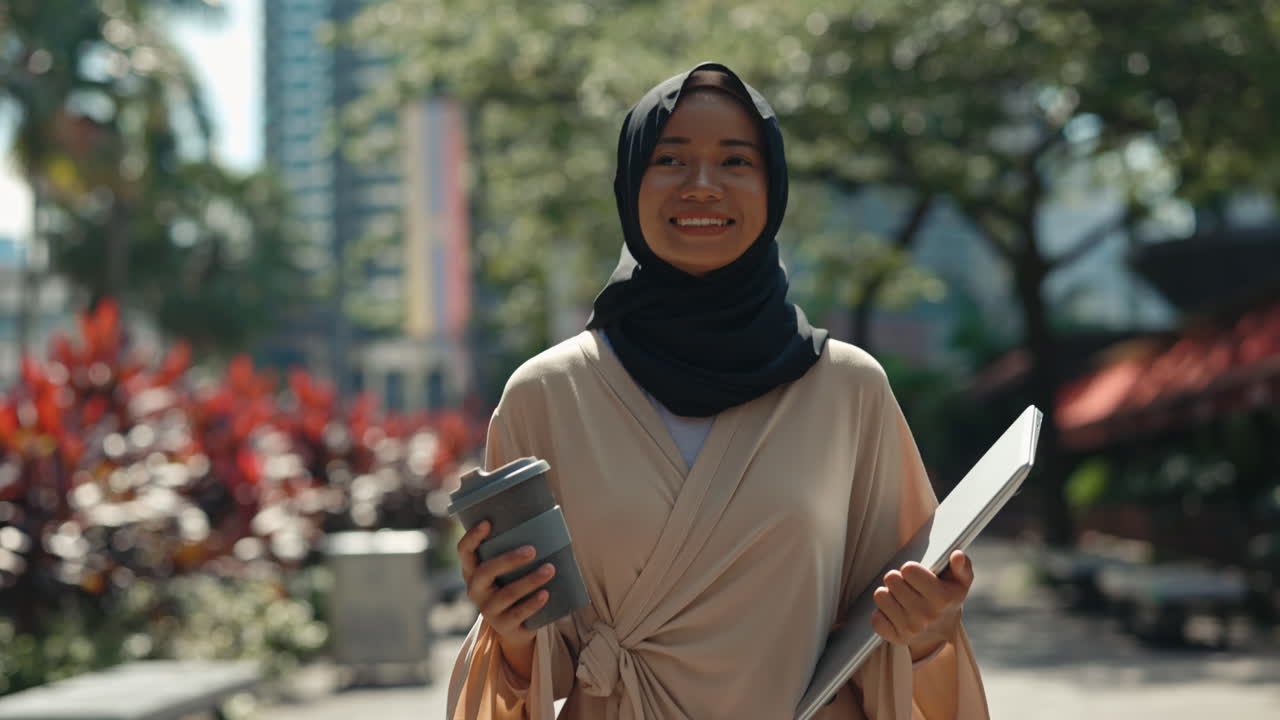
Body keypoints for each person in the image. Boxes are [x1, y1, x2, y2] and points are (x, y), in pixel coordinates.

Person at [447, 62, 989, 719]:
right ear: (629, 181)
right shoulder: (546, 396)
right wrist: (509, 635)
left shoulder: (849, 390)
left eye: (735, 161)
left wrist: (928, 633)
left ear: (774, 186)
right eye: (671, 159)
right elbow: (540, 661)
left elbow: (895, 633)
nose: (702, 186)